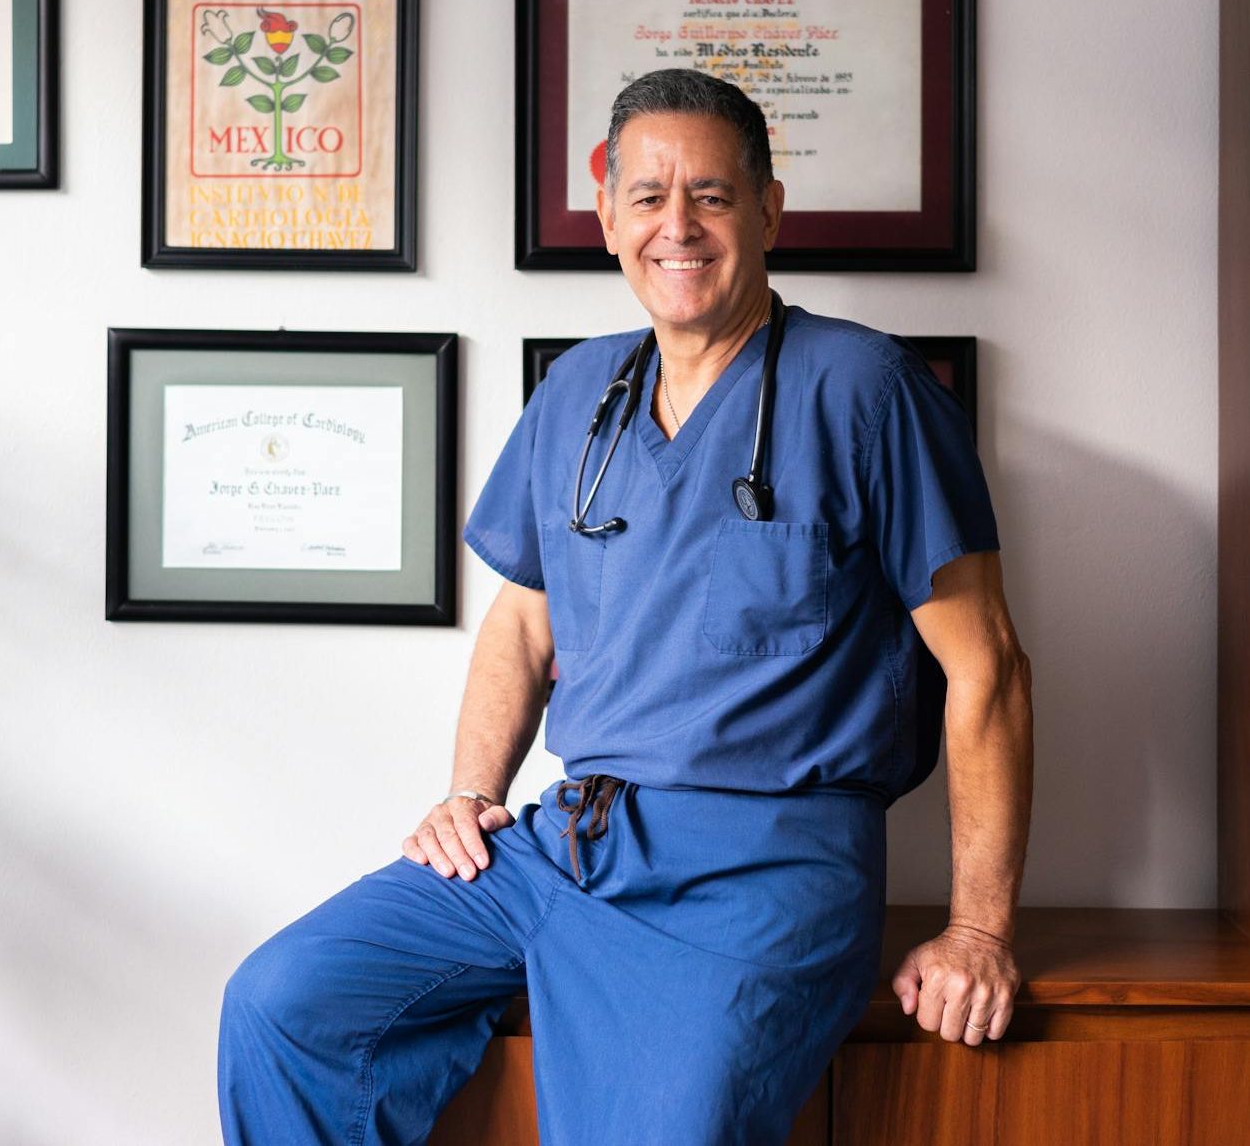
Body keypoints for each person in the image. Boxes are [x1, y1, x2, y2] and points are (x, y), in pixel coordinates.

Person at [217, 68, 1034, 1144]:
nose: (677, 226)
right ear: (606, 219)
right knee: (283, 1007)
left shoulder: (863, 389)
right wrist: (470, 792)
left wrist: (976, 928)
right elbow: (521, 621)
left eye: (710, 194)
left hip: (761, 873)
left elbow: (987, 669)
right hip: (565, 844)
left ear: (768, 211)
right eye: (647, 197)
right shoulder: (577, 394)